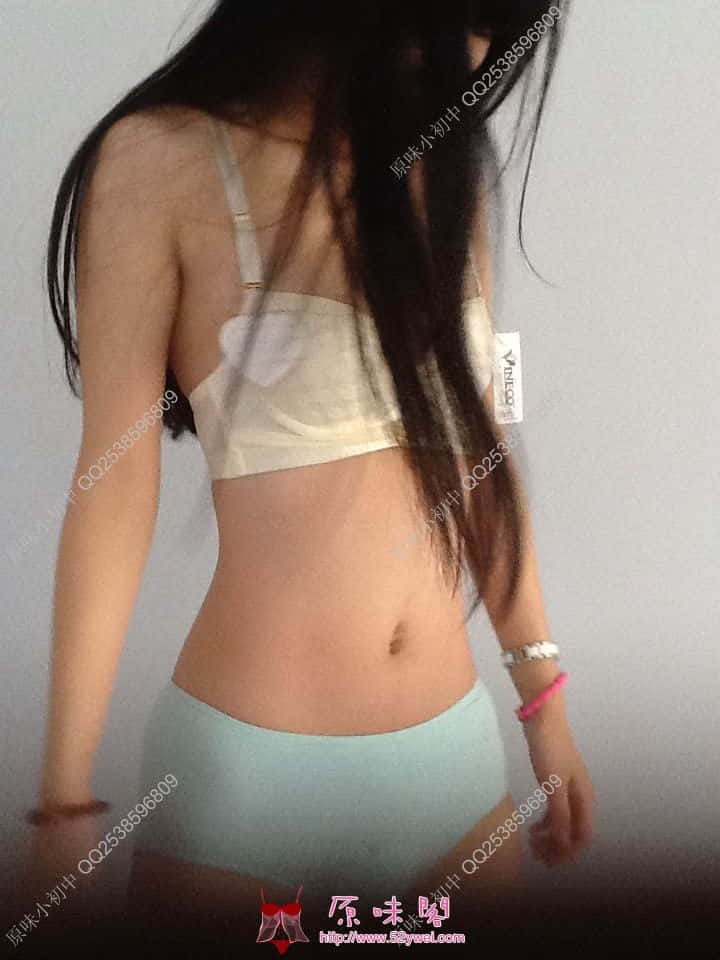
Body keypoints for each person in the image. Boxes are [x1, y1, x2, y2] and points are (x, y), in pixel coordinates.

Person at [28, 0, 593, 943]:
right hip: (249, 785)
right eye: (464, 16)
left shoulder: (444, 168)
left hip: (453, 769)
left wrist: (544, 703)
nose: (476, 55)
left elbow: (481, 454)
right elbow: (115, 486)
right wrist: (63, 802)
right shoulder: (161, 159)